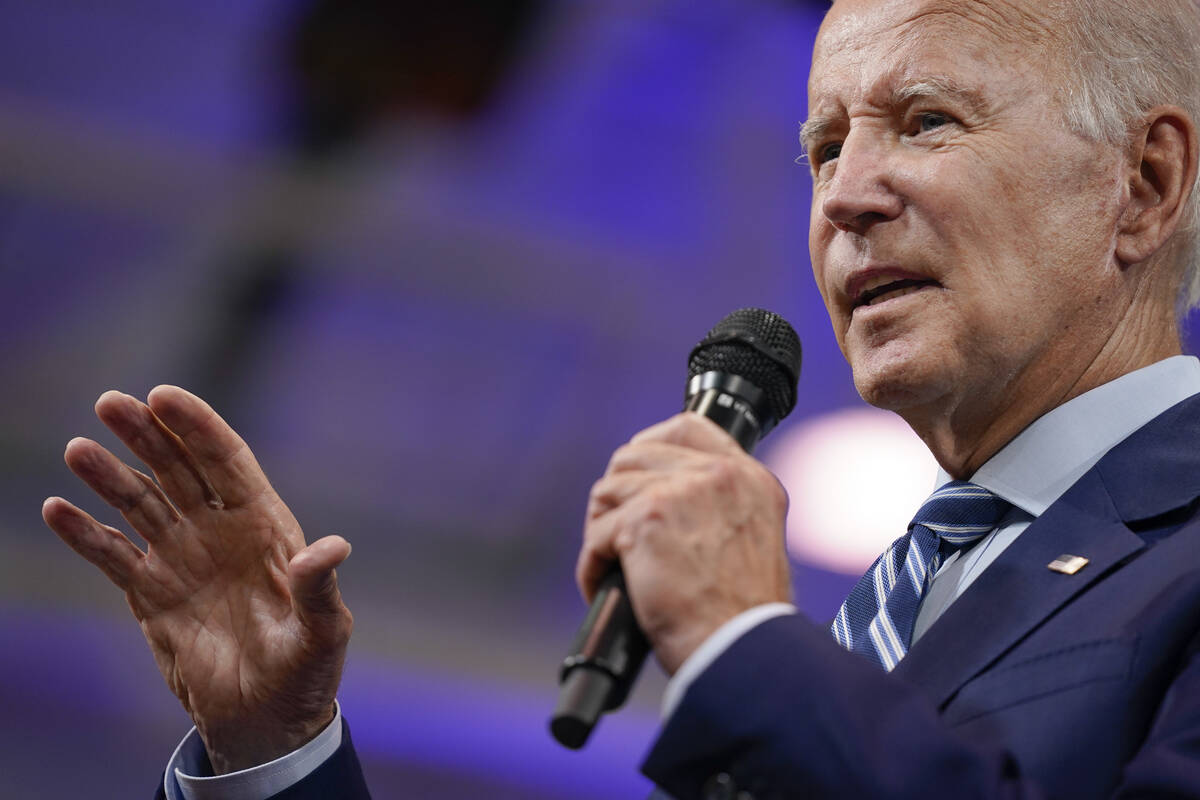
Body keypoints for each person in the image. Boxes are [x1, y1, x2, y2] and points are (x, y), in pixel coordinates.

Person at [43, 0, 1200, 798]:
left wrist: (743, 643)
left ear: (1144, 185)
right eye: (823, 146)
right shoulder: (899, 609)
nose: (844, 198)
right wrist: (274, 750)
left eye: (928, 121)